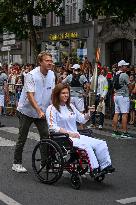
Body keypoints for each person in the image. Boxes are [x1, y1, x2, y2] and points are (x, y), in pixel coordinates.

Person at [46, 83, 115, 176]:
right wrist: (69, 133)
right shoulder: (51, 108)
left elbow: (82, 119)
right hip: (63, 138)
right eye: (63, 93)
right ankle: (94, 169)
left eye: (67, 93)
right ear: (57, 94)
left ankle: (105, 166)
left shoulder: (70, 106)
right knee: (87, 146)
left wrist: (89, 112)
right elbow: (52, 127)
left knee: (101, 143)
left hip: (76, 136)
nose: (66, 95)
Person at [12, 51, 55, 173]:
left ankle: (45, 163)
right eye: (47, 60)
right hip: (27, 111)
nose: (50, 63)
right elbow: (30, 96)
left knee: (45, 136)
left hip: (42, 111)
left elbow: (52, 93)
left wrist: (53, 109)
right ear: (40, 62)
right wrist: (38, 111)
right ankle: (16, 163)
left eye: (51, 61)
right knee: (22, 137)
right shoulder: (31, 75)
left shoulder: (52, 74)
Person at [112, 60, 130, 138]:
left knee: (116, 113)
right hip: (123, 96)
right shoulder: (124, 75)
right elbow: (129, 86)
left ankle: (115, 131)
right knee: (124, 115)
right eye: (125, 66)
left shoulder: (115, 74)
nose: (126, 67)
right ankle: (124, 132)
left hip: (116, 96)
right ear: (121, 67)